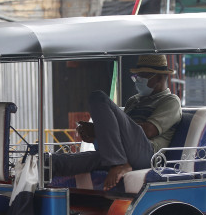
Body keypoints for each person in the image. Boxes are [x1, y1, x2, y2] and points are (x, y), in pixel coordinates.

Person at [53, 54, 182, 190]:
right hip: (123, 152)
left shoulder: (171, 101)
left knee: (98, 97)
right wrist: (96, 133)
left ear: (159, 78)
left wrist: (100, 129)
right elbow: (121, 133)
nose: (137, 81)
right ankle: (45, 166)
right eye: (136, 77)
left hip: (148, 154)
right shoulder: (134, 101)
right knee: (65, 162)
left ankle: (118, 163)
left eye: (142, 77)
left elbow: (148, 131)